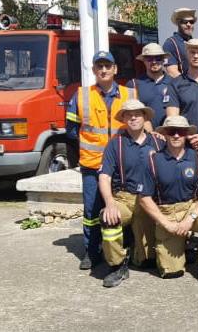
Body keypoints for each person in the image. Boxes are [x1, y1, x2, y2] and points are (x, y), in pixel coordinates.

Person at [138, 115, 198, 285]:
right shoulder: (152, 160)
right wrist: (166, 224)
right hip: (167, 213)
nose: (176, 135)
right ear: (164, 134)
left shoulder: (197, 158)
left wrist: (190, 219)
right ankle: (183, 249)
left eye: (181, 131)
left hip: (191, 208)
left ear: (187, 134)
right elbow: (144, 199)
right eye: (172, 131)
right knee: (172, 273)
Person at [66, 50, 136, 269]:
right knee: (91, 211)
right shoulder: (81, 95)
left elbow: (137, 126)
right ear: (94, 70)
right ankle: (91, 251)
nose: (104, 70)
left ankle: (125, 249)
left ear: (115, 69)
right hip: (92, 164)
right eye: (99, 66)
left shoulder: (129, 95)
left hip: (122, 165)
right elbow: (71, 131)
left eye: (108, 66)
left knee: (124, 209)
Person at [98, 100, 164, 287]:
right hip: (124, 199)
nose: (133, 117)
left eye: (137, 114)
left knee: (147, 262)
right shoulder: (115, 144)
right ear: (124, 118)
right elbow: (104, 177)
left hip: (150, 201)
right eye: (129, 114)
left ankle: (139, 252)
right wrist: (110, 203)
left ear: (145, 117)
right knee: (108, 219)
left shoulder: (159, 142)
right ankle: (117, 266)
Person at [128, 43, 172, 131]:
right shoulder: (133, 84)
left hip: (170, 136)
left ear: (163, 60)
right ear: (143, 60)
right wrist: (150, 135)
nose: (154, 61)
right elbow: (131, 113)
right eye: (149, 58)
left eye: (158, 58)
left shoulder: (175, 83)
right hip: (143, 138)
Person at [163, 8, 197, 78]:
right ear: (178, 23)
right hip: (181, 87)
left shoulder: (195, 42)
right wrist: (188, 85)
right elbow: (172, 72)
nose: (188, 24)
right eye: (184, 22)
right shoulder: (170, 43)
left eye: (191, 21)